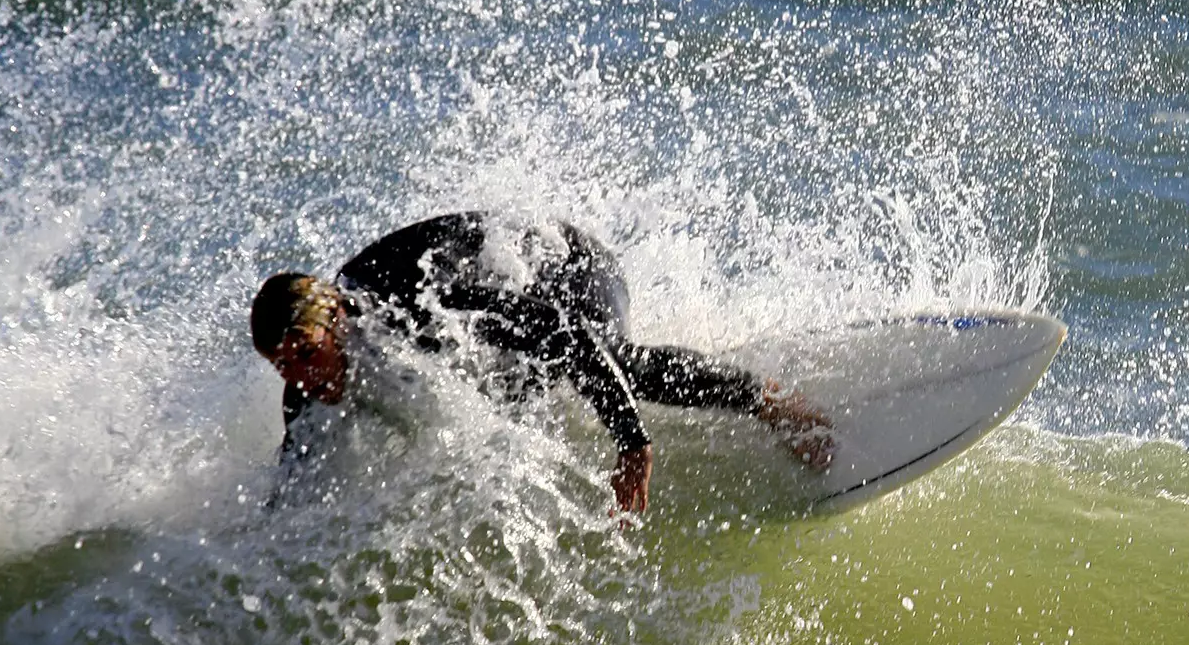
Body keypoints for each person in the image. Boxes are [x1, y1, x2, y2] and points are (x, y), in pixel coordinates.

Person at [249, 212, 829, 515]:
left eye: (304, 353)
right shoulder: (306, 379)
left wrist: (631, 445)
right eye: (282, 366)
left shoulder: (416, 305)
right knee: (514, 394)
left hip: (564, 264)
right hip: (506, 286)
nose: (300, 375)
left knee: (608, 361)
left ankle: (767, 399)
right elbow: (295, 481)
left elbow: (564, 334)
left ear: (335, 320)